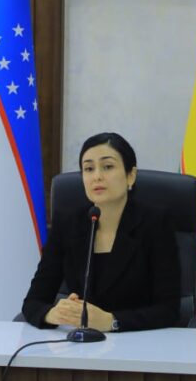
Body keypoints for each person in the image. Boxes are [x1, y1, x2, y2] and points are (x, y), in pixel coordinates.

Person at [21, 132, 180, 332]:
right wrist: (52, 314)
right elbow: (33, 302)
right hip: (80, 343)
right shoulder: (68, 224)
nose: (97, 176)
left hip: (139, 343)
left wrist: (112, 321)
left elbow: (169, 309)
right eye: (89, 168)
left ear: (131, 175)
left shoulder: (155, 223)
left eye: (108, 166)